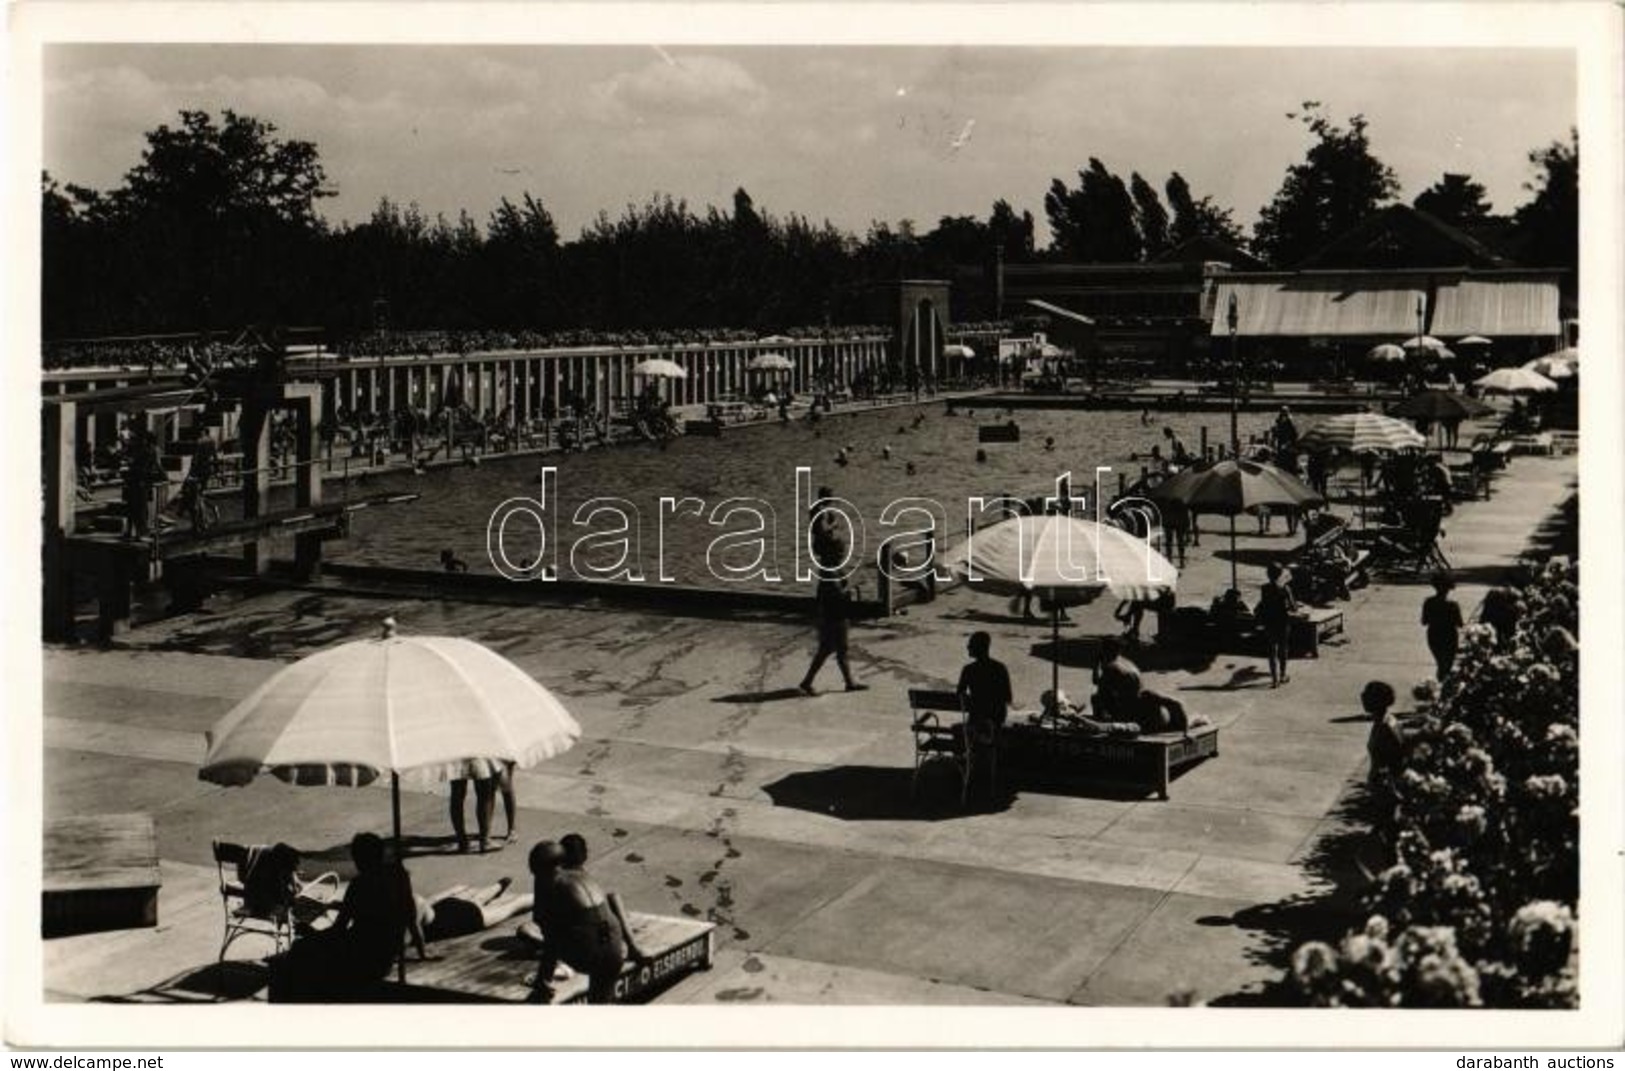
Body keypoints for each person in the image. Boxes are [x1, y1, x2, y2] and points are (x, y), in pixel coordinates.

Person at [278, 832, 430, 999]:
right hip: (394, 946)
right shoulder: (399, 875)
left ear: (362, 858)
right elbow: (409, 915)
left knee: (302, 949)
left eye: (357, 857)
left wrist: (311, 932)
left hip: (365, 952)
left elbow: (339, 930)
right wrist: (422, 954)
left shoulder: (359, 884)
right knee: (419, 905)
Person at [526, 840, 649, 1004]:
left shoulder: (551, 884)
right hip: (615, 952)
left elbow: (551, 937)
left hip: (587, 955)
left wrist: (543, 980)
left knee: (546, 925)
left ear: (538, 869)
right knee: (599, 1002)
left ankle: (546, 981)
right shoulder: (581, 875)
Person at [798, 534, 864, 695]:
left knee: (828, 649)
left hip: (829, 614)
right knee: (839, 649)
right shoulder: (830, 571)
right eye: (841, 552)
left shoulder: (828, 567)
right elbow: (837, 593)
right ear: (832, 552)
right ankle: (848, 683)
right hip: (834, 616)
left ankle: (810, 681)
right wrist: (854, 584)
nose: (843, 555)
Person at [417, 877, 533, 943]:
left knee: (511, 906)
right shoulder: (412, 897)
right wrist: (451, 892)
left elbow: (416, 937)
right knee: (476, 899)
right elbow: (432, 899)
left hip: (460, 919)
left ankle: (543, 896)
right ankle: (497, 886)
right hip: (444, 906)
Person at [956, 632, 1012, 732]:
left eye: (970, 644)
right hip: (996, 720)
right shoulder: (1000, 668)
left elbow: (959, 696)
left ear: (978, 648)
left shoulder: (968, 670)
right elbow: (1007, 697)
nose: (968, 647)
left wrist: (973, 701)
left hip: (976, 718)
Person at [1257, 563, 1297, 687]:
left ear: (1267, 574)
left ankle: (1274, 679)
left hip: (1269, 620)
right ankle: (1283, 675)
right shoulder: (1285, 588)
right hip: (1282, 621)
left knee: (1271, 649)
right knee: (1283, 648)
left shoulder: (1264, 588)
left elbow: (1264, 604)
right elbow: (1293, 607)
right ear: (1280, 574)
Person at [1421, 572, 1464, 679]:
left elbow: (1424, 621)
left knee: (1441, 663)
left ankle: (1440, 684)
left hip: (1434, 635)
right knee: (1447, 665)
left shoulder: (1429, 602)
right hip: (1449, 636)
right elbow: (1460, 624)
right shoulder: (1453, 605)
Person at [1090, 637, 1143, 722]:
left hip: (1126, 709)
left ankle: (1099, 721)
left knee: (1095, 698)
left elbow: (1096, 682)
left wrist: (1096, 663)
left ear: (1105, 651)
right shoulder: (1127, 662)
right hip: (1138, 703)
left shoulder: (1111, 667)